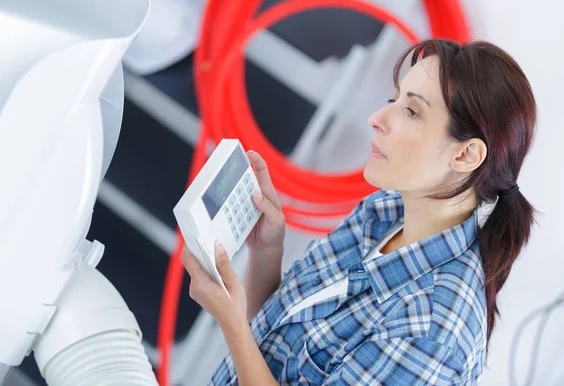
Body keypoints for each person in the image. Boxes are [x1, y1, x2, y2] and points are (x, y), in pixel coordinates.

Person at [182, 39, 537, 385]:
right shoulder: (384, 211)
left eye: (411, 111)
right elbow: (274, 341)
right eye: (393, 99)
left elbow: (250, 344)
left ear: (465, 156)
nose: (376, 118)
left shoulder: (431, 334)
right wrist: (266, 251)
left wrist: (230, 324)